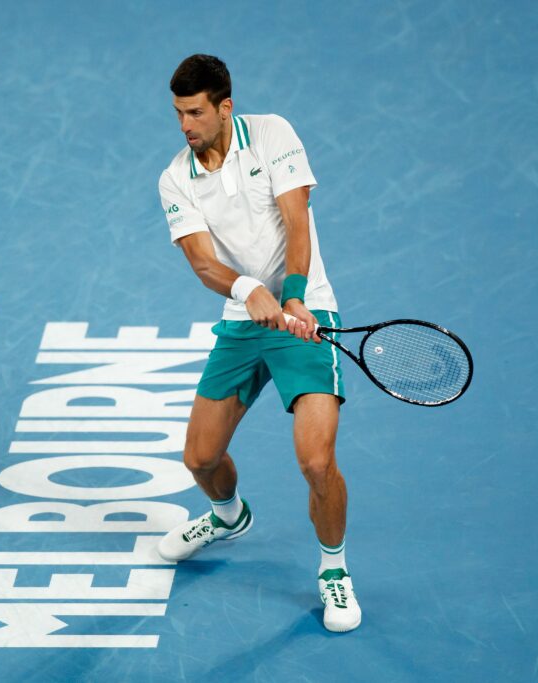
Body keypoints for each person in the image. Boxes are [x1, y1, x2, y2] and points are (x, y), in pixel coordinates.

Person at [156, 54, 361, 633]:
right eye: (177, 114)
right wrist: (251, 292)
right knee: (199, 457)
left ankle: (334, 570)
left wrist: (293, 296)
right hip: (244, 320)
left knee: (316, 461)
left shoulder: (272, 133)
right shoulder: (176, 177)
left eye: (195, 112)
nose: (185, 125)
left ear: (224, 107)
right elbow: (201, 261)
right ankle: (227, 516)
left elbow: (296, 222)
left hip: (305, 309)